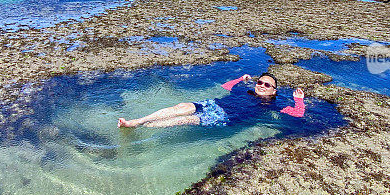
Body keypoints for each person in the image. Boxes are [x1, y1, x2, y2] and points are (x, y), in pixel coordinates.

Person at [117, 73, 305, 128]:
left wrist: (299, 100)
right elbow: (226, 86)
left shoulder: (274, 104)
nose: (262, 86)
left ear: (274, 90)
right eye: (260, 82)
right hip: (213, 104)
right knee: (182, 106)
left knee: (185, 120)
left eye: (267, 85)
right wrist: (241, 79)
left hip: (225, 117)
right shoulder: (246, 90)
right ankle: (138, 121)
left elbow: (297, 114)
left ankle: (144, 127)